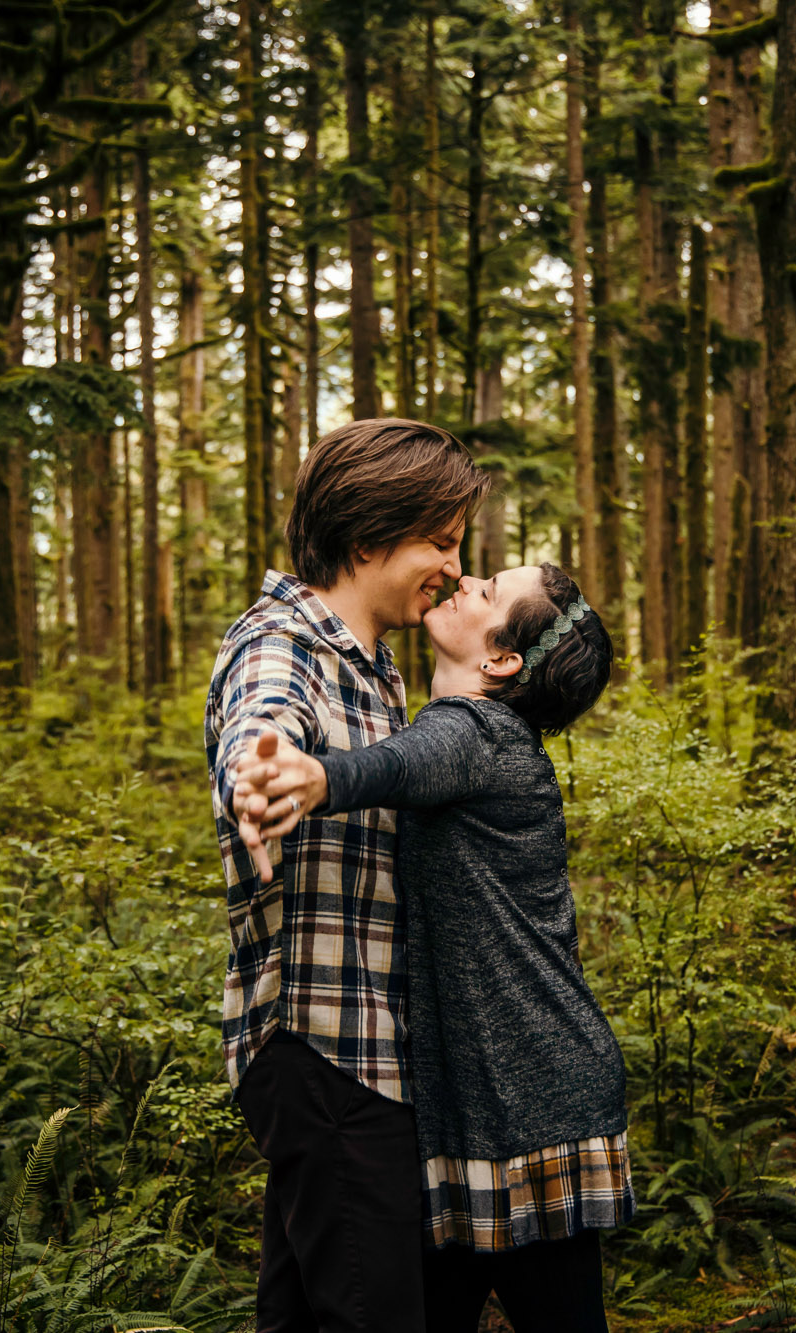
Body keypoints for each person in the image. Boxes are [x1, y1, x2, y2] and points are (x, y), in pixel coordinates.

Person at [233, 562, 630, 1333]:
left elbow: (401, 764)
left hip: (529, 1109)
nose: (467, 579)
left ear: (500, 659)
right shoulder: (459, 725)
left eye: (487, 591)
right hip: (467, 1110)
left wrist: (315, 776)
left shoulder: (477, 731)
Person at [203, 418, 490, 1333]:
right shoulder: (283, 641)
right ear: (369, 536)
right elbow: (264, 721)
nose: (451, 565)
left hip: (361, 1051)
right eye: (437, 542)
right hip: (326, 1047)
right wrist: (262, 780)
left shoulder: (377, 666)